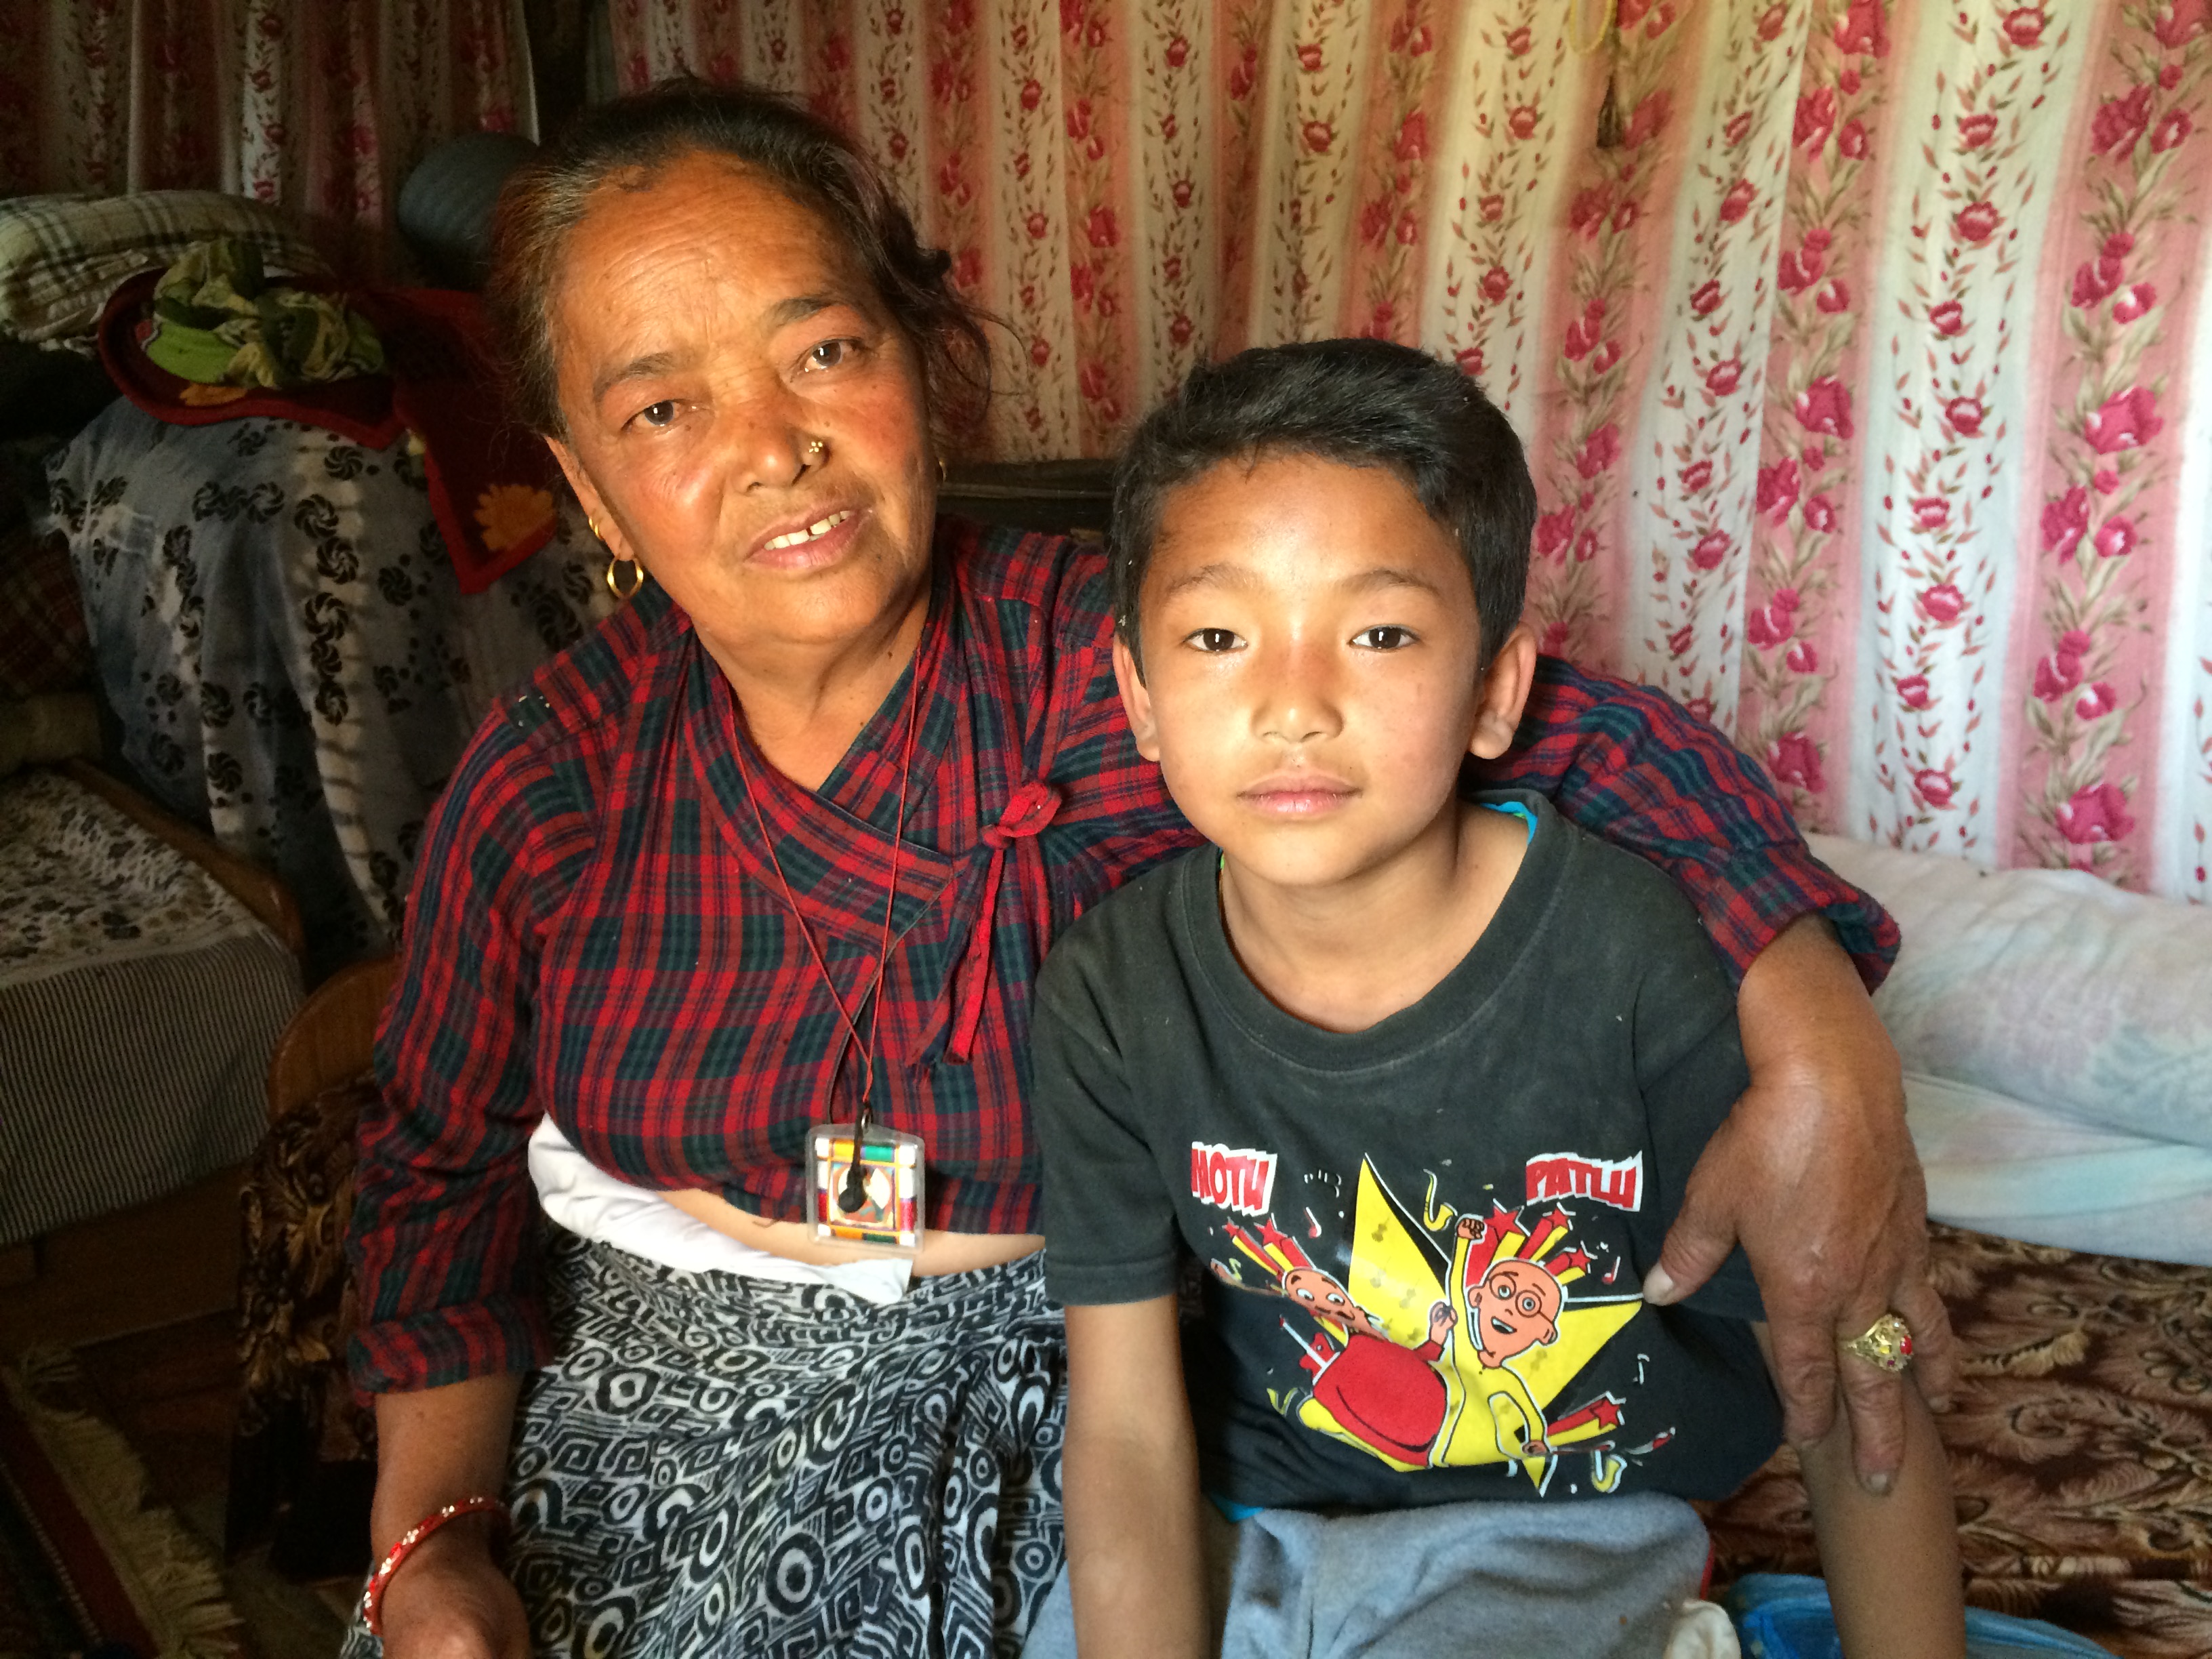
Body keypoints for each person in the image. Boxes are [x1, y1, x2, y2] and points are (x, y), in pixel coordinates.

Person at [344, 81, 1949, 1659]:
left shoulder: (1132, 672)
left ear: (919, 367)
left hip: (1068, 1393)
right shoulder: (560, 771)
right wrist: (432, 1547)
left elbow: (1574, 747)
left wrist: (1824, 1050)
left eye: (824, 352)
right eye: (664, 407)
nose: (775, 448)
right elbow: (436, 1173)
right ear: (583, 479)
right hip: (651, 1421)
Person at [1029, 340, 1963, 1658]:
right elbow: (1123, 1427)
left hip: (1559, 1526)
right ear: (1137, 695)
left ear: (1494, 693)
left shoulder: (1642, 962)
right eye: (1220, 634)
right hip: (1249, 1510)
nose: (1293, 704)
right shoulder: (1109, 993)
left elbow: (1851, 1363)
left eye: (1380, 632)